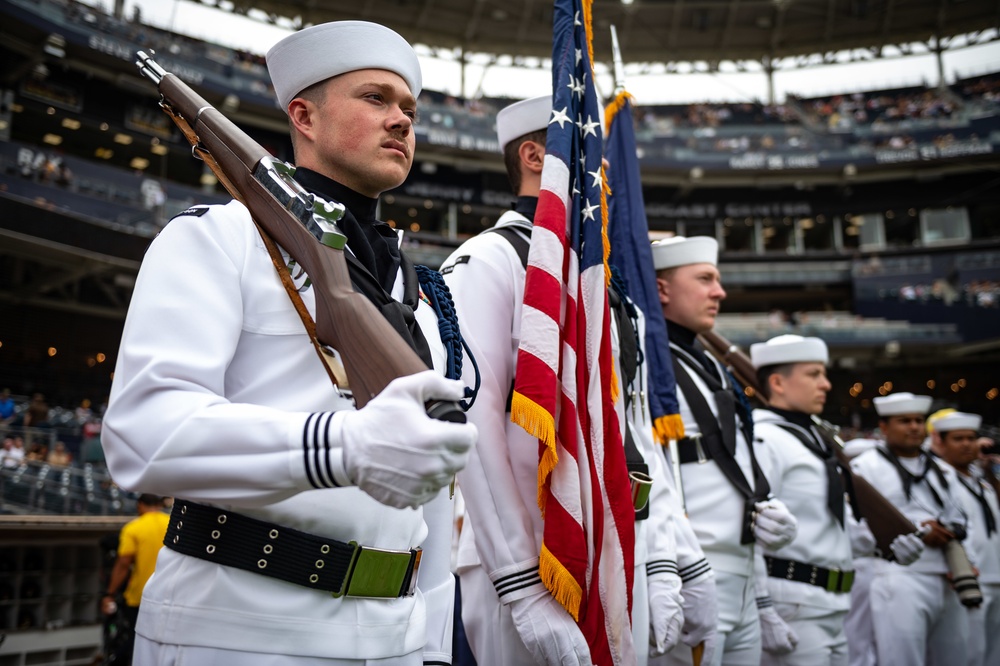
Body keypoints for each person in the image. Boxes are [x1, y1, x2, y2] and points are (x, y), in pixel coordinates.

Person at [101, 21, 477, 665]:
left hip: (399, 639)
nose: (401, 121)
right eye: (375, 99)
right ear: (301, 114)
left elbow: (434, 481)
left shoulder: (420, 289)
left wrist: (433, 645)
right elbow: (142, 434)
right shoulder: (217, 239)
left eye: (409, 108)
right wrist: (343, 447)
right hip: (238, 632)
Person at [440, 95, 685, 665]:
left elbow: (633, 430)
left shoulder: (607, 284)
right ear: (534, 156)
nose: (608, 176)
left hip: (619, 540)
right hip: (534, 550)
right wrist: (520, 580)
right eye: (591, 155)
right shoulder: (490, 259)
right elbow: (471, 422)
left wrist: (667, 555)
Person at [649, 237, 798, 666]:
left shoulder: (710, 362)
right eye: (705, 279)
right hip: (690, 572)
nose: (720, 291)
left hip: (743, 575)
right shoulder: (646, 363)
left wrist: (763, 592)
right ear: (662, 289)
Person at [748, 335, 923, 666]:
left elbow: (826, 523)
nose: (826, 384)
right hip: (792, 603)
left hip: (833, 604)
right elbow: (751, 528)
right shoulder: (764, 438)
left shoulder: (815, 440)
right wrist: (762, 605)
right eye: (813, 374)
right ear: (777, 382)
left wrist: (880, 545)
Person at [850, 392, 969, 666]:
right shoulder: (866, 468)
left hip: (946, 573)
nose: (915, 427)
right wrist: (918, 531)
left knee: (956, 656)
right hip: (899, 574)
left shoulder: (942, 470)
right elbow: (859, 525)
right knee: (902, 658)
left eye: (918, 420)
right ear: (884, 427)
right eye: (905, 421)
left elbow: (962, 518)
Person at [930, 411, 1000, 666]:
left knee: (994, 652)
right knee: (969, 652)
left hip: (996, 573)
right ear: (941, 443)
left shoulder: (983, 481)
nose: (967, 444)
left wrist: (988, 467)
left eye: (971, 438)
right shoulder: (938, 478)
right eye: (958, 439)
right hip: (969, 575)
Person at [101, 494, 171, 666]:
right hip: (172, 596)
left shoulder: (134, 528)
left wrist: (109, 594)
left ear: (140, 505)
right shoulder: (174, 524)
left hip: (141, 597)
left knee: (136, 642)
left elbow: (123, 564)